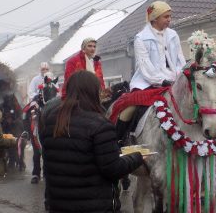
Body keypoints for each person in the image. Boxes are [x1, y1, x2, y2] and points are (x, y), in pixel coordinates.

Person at [39, 70, 144, 212]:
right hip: (94, 206)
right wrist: (137, 156)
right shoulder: (100, 125)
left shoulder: (51, 120)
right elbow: (113, 169)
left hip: (58, 205)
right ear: (93, 92)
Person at [116, 0, 186, 137]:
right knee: (131, 107)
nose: (169, 20)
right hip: (146, 83)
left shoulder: (173, 35)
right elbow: (145, 67)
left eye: (170, 16)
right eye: (166, 17)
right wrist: (162, 81)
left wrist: (178, 76)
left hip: (173, 80)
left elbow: (180, 60)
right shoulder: (141, 39)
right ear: (154, 18)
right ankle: (119, 140)